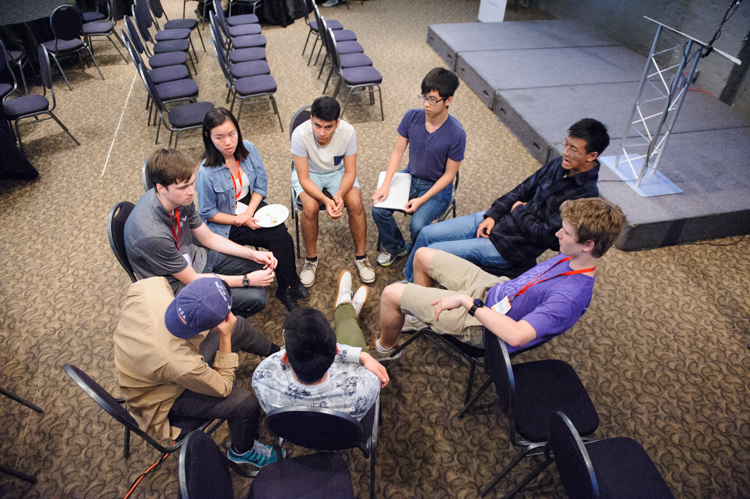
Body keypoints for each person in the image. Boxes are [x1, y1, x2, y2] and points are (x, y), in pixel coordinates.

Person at [370, 198, 626, 360]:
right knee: (423, 255)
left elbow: (515, 336)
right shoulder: (571, 257)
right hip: (495, 290)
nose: (557, 233)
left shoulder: (569, 297)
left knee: (392, 294)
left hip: (484, 326)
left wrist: (468, 303)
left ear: (588, 244)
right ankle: (418, 317)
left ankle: (384, 351)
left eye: (566, 232)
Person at [402, 118, 609, 282]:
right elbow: (522, 190)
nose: (565, 152)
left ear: (592, 156)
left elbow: (547, 236)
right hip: (499, 220)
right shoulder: (559, 164)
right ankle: (409, 282)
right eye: (566, 144)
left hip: (511, 247)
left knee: (429, 253)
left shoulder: (585, 197)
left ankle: (412, 300)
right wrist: (493, 214)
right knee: (427, 233)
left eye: (573, 149)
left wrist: (519, 210)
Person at [113, 276, 282, 467]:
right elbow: (224, 386)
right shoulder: (182, 364)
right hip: (159, 396)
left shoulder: (150, 286)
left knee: (239, 326)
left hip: (143, 365)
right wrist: (225, 335)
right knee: (245, 404)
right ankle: (242, 451)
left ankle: (281, 354)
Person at [125, 148, 277, 318]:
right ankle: (215, 324)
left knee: (260, 266)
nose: (192, 192)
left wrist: (253, 254)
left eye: (192, 183)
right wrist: (247, 280)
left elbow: (209, 238)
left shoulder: (180, 198)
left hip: (193, 257)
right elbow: (192, 279)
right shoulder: (153, 235)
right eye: (183, 187)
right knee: (257, 298)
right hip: (176, 284)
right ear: (161, 188)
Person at [197, 107, 309, 313]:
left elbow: (259, 186)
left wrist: (249, 213)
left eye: (231, 134)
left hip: (249, 205)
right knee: (277, 236)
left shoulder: (248, 149)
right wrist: (240, 220)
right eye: (219, 137)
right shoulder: (206, 172)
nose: (228, 142)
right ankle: (289, 282)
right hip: (225, 220)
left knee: (281, 235)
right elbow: (208, 213)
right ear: (208, 137)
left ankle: (287, 285)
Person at [252, 271, 388, 420]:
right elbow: (374, 374)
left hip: (295, 432)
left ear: (286, 358)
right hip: (340, 436)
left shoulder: (261, 377)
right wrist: (362, 355)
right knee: (353, 337)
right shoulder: (365, 387)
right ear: (336, 350)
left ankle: (345, 310)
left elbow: (276, 358)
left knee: (334, 330)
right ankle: (346, 309)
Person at [371, 68, 466, 267]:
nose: (426, 104)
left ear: (448, 100)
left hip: (436, 187)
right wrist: (386, 184)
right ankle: (397, 247)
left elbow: (449, 175)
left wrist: (421, 199)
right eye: (424, 98)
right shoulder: (411, 117)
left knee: (418, 225)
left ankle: (417, 260)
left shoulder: (456, 134)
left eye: (432, 100)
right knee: (378, 209)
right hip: (411, 176)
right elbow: (397, 152)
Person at [291, 96, 375, 287]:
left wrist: (339, 194)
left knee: (354, 200)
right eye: (317, 125)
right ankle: (311, 260)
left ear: (337, 123)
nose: (321, 132)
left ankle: (361, 257)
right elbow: (303, 178)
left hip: (337, 172)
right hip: (309, 173)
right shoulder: (299, 134)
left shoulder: (348, 131)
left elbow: (351, 171)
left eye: (328, 127)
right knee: (311, 207)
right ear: (311, 119)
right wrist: (325, 200)